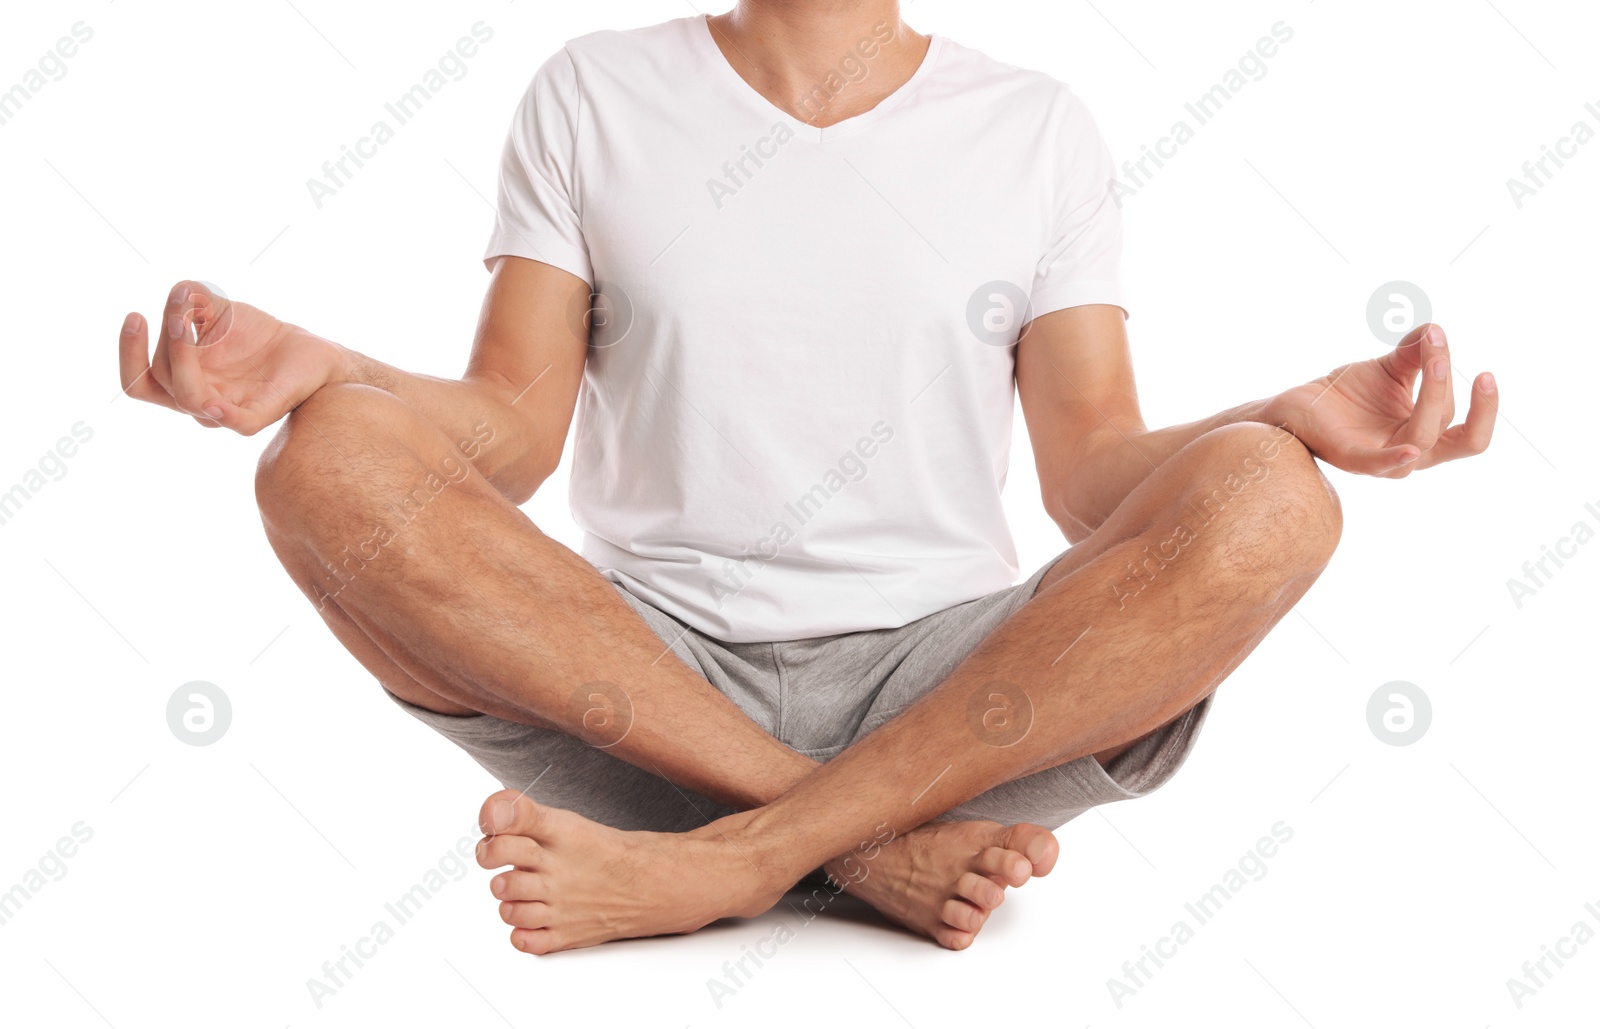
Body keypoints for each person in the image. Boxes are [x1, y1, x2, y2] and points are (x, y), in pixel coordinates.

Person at [116, 0, 1496, 955]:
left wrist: (1283, 415)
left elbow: (1093, 479)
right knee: (331, 458)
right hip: (640, 686)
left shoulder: (1036, 128)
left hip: (962, 695)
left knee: (1276, 489)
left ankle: (731, 855)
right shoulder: (591, 94)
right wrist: (318, 365)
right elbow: (511, 435)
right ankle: (849, 839)